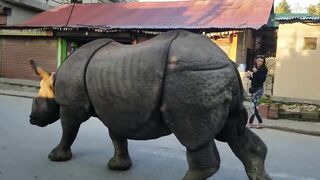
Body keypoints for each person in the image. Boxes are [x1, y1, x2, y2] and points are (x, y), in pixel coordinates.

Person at [246, 55, 268, 129]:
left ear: (263, 62)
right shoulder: (256, 68)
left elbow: (262, 79)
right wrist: (250, 78)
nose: (260, 62)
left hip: (259, 90)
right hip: (254, 89)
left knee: (253, 106)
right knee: (254, 106)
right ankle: (259, 123)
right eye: (258, 61)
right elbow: (256, 79)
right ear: (256, 61)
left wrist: (256, 72)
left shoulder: (264, 69)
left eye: (261, 61)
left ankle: (251, 123)